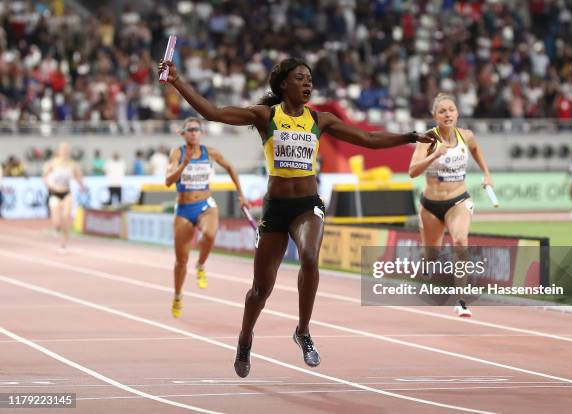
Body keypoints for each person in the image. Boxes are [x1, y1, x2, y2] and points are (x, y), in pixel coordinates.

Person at [158, 57, 435, 377]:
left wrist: (411, 136)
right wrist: (177, 81)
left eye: (310, 79)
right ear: (282, 84)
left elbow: (369, 140)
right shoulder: (265, 116)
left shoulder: (321, 120)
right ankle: (245, 339)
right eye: (301, 78)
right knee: (260, 290)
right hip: (275, 209)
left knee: (309, 257)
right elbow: (213, 113)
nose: (308, 84)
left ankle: (303, 331)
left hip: (308, 204)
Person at [409, 93, 494, 317]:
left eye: (451, 110)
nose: (448, 114)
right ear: (434, 115)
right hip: (430, 205)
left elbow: (476, 150)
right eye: (442, 111)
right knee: (431, 255)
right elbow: (412, 171)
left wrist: (487, 174)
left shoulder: (466, 136)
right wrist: (434, 155)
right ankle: (426, 263)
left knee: (460, 241)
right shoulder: (427, 139)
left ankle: (461, 299)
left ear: (457, 112)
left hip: (458, 200)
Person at [166, 117, 248, 318]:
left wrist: (241, 194)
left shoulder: (209, 152)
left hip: (205, 204)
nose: (194, 133)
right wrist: (183, 165)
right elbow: (168, 181)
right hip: (185, 208)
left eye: (197, 129)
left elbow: (230, 167)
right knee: (181, 261)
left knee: (210, 234)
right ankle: (178, 295)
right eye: (190, 130)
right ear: (183, 133)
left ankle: (201, 264)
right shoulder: (177, 153)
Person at [42, 142, 85, 253]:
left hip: (67, 193)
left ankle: (63, 245)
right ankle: (57, 228)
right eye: (62, 149)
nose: (65, 151)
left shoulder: (73, 164)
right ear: (59, 151)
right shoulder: (52, 163)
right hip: (55, 194)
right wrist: (49, 185)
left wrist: (81, 185)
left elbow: (79, 177)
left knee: (66, 218)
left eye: (66, 149)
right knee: (57, 221)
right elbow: (45, 177)